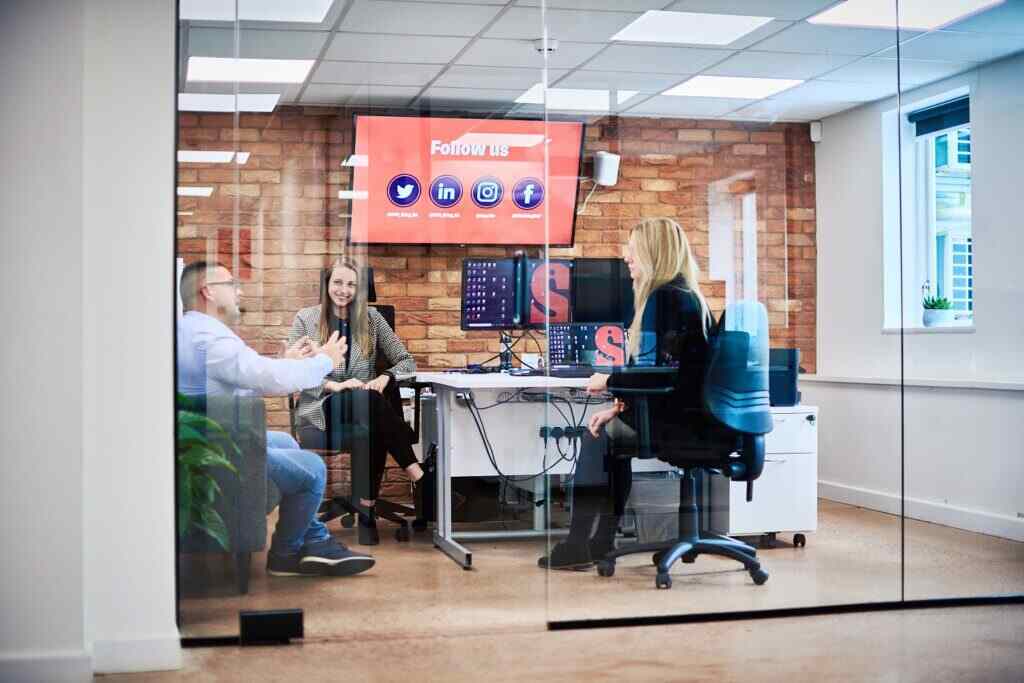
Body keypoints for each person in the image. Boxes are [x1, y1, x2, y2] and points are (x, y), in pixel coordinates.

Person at [177, 260, 376, 578]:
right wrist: (325, 360)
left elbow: (248, 374)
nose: (239, 291)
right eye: (231, 284)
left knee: (284, 440)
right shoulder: (209, 338)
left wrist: (285, 362)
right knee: (313, 470)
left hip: (213, 437)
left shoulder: (193, 330)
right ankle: (287, 553)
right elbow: (265, 379)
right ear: (208, 291)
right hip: (216, 449)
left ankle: (313, 540)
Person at [539, 217, 714, 570]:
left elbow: (656, 376)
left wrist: (608, 380)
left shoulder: (663, 299)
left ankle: (581, 545)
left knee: (596, 439)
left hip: (677, 424)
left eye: (633, 252)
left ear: (653, 255)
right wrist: (618, 406)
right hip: (693, 418)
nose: (627, 259)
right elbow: (666, 376)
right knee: (607, 436)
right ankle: (598, 543)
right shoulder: (686, 297)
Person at [290, 256, 423, 545]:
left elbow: (407, 362)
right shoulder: (306, 318)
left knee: (371, 412)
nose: (344, 290)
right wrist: (335, 387)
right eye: (338, 282)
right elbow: (294, 372)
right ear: (327, 284)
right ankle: (417, 475)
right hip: (323, 407)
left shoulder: (372, 320)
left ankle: (367, 513)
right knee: (370, 405)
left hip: (363, 408)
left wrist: (386, 376)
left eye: (351, 284)